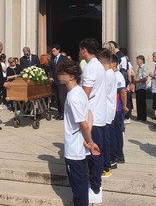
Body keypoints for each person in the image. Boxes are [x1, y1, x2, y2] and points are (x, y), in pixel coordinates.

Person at [57, 60, 100, 206]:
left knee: (78, 185)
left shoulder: (73, 97)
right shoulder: (80, 92)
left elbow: (83, 124)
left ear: (71, 76)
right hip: (80, 145)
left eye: (62, 74)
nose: (59, 76)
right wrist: (88, 140)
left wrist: (90, 142)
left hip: (74, 148)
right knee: (81, 181)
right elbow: (89, 114)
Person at [79, 38, 106, 204]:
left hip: (92, 117)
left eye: (80, 50)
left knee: (93, 152)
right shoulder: (99, 66)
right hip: (98, 115)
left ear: (84, 50)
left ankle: (95, 188)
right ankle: (96, 183)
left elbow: (84, 94)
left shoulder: (90, 68)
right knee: (96, 151)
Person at [98, 48, 116, 178]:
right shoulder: (111, 74)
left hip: (105, 112)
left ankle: (106, 167)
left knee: (105, 141)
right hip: (108, 111)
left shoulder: (107, 75)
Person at [110, 54, 128, 169]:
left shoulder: (118, 76)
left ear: (114, 64)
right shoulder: (112, 75)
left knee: (117, 133)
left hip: (117, 109)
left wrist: (125, 106)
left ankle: (118, 155)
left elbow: (122, 92)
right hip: (113, 109)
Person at [49, 44, 68, 120]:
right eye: (52, 51)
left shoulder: (64, 58)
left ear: (58, 50)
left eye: (54, 51)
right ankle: (59, 113)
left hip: (62, 81)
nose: (53, 52)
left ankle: (63, 114)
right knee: (57, 98)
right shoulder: (52, 59)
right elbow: (50, 69)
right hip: (55, 81)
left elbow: (66, 68)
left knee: (61, 98)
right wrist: (50, 77)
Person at [133, 55, 148, 121]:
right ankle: (139, 116)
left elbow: (145, 78)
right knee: (138, 102)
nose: (137, 61)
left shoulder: (144, 67)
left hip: (142, 87)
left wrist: (137, 80)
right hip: (138, 87)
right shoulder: (139, 68)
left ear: (142, 60)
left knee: (142, 103)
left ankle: (143, 117)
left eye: (138, 60)